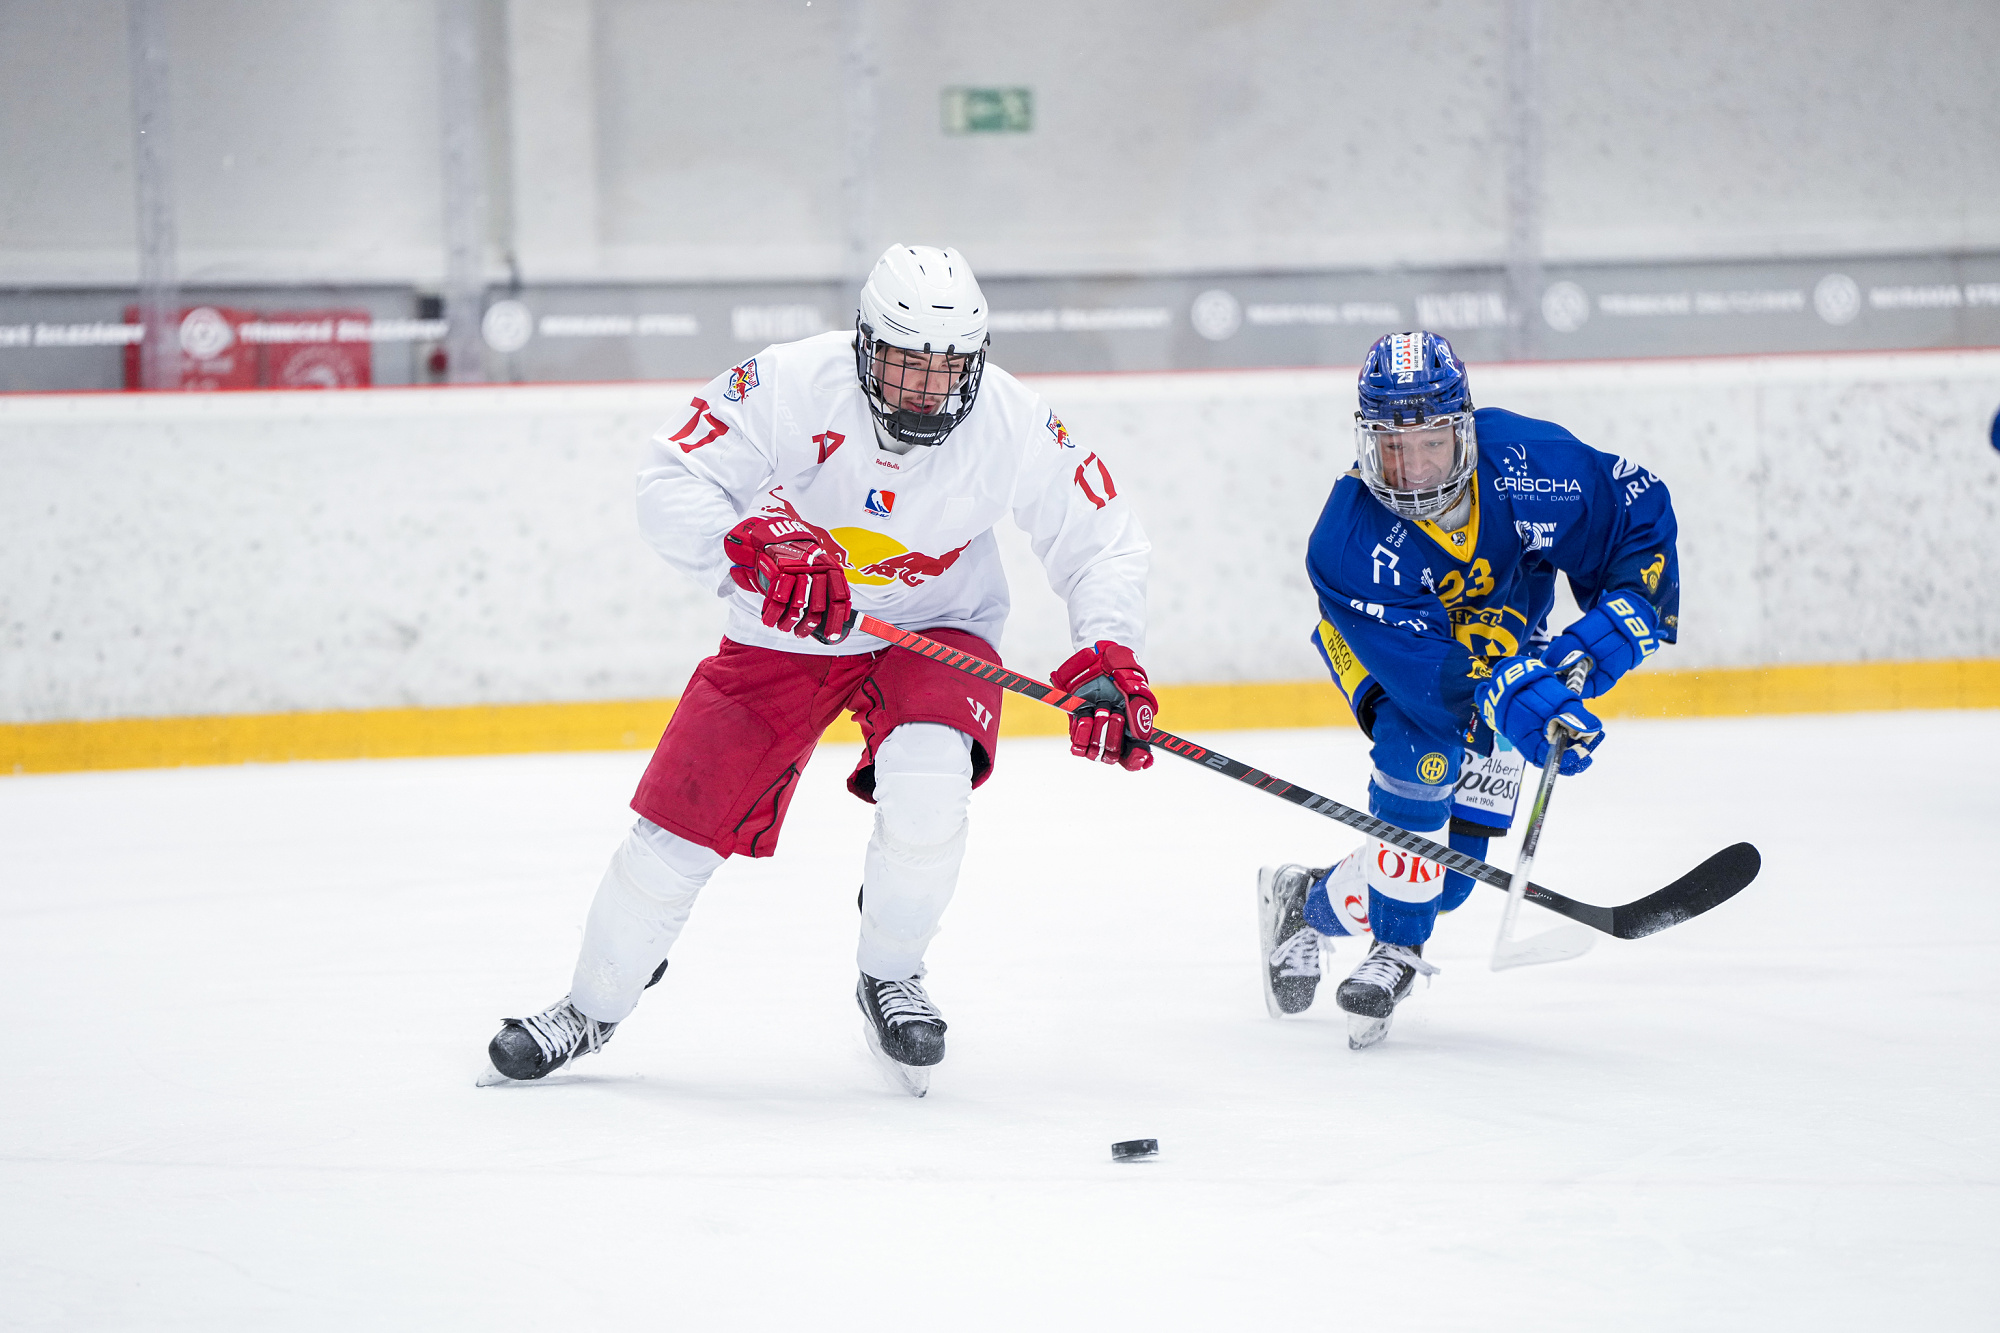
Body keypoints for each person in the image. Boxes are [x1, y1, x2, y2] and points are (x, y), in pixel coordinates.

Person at [485, 245, 1153, 1095]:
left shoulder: (1013, 420)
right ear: (865, 344)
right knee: (674, 835)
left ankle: (892, 975)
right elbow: (671, 478)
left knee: (930, 781)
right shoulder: (791, 381)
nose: (928, 389)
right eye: (907, 364)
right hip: (786, 632)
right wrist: (751, 547)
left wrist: (1107, 649)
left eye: (949, 368)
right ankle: (591, 1005)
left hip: (936, 629)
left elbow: (1103, 538)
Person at [1259, 330, 1680, 1048]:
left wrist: (1623, 615)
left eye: (1431, 443)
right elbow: (1428, 680)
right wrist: (1514, 697)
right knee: (1419, 746)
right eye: (1395, 449)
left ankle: (1304, 901)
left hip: (1509, 646)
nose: (1415, 469)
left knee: (1447, 880)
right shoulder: (1347, 542)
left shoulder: (1530, 464)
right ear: (1367, 444)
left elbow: (1633, 515)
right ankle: (1396, 950)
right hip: (1384, 651)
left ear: (1465, 429)